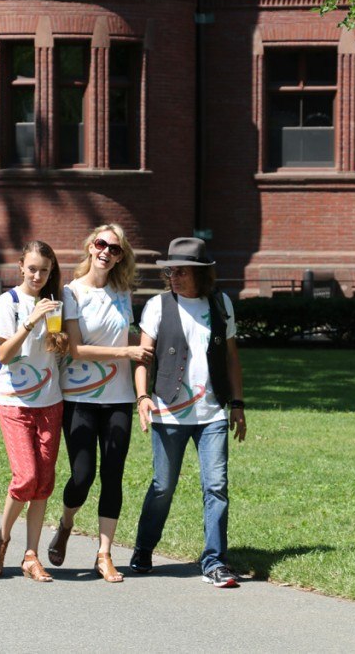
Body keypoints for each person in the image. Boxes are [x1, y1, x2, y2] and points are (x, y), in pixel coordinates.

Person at [129, 237, 248, 588]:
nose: (174, 277)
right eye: (170, 271)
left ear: (201, 273)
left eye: (182, 271)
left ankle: (214, 561)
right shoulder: (158, 306)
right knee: (163, 486)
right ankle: (144, 548)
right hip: (168, 413)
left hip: (211, 414)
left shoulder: (220, 303)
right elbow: (142, 357)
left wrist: (238, 404)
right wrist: (142, 398)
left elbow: (230, 357)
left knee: (216, 486)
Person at [48, 224, 153, 583]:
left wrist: (141, 395)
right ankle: (65, 523)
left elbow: (139, 348)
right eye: (101, 244)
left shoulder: (124, 293)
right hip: (79, 397)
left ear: (121, 256)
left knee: (113, 475)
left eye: (115, 248)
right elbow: (75, 349)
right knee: (82, 476)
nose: (107, 251)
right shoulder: (71, 292)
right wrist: (126, 350)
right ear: (90, 247)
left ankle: (105, 554)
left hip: (118, 398)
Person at [0, 241, 67, 582]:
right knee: (26, 477)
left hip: (50, 400)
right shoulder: (10, 301)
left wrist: (56, 331)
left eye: (44, 270)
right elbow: (2, 354)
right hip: (14, 401)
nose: (37, 275)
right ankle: (2, 539)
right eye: (32, 268)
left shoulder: (54, 303)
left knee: (44, 482)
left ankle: (31, 555)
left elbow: (56, 350)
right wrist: (31, 322)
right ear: (21, 266)